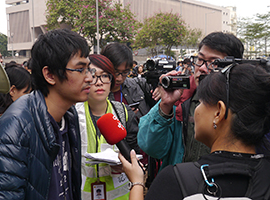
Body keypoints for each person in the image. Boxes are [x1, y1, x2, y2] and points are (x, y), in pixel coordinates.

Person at [0, 28, 93, 200]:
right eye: (80, 70)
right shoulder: (13, 131)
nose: (89, 78)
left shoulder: (68, 117)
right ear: (49, 75)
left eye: (89, 69)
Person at [120, 63, 270, 199]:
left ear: (219, 112)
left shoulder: (177, 180)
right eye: (199, 60)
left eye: (201, 102)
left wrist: (137, 183)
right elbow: (151, 144)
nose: (196, 109)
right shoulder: (264, 176)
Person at [137, 32, 244, 170]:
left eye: (214, 62)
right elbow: (151, 148)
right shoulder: (180, 100)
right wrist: (165, 106)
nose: (203, 68)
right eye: (200, 60)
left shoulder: (244, 105)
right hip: (181, 186)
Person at [76, 54, 140, 200]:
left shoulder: (123, 112)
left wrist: (125, 164)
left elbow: (134, 151)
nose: (99, 82)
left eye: (105, 76)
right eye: (93, 75)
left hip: (120, 195)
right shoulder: (72, 114)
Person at [101, 43, 160, 120]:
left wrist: (160, 86)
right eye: (115, 72)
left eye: (125, 72)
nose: (119, 78)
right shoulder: (96, 94)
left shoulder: (138, 85)